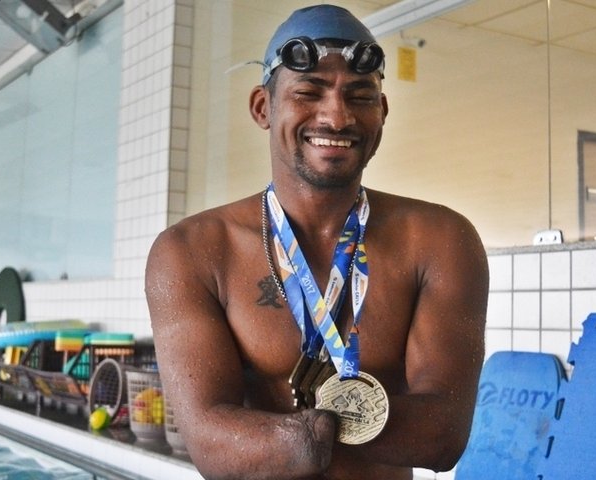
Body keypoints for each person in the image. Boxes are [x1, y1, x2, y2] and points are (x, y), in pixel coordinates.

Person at [145, 4, 488, 480]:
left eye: (360, 96)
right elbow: (209, 443)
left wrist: (308, 430)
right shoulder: (193, 253)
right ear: (263, 108)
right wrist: (334, 429)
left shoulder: (440, 242)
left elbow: (443, 434)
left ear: (382, 113)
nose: (337, 116)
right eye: (309, 92)